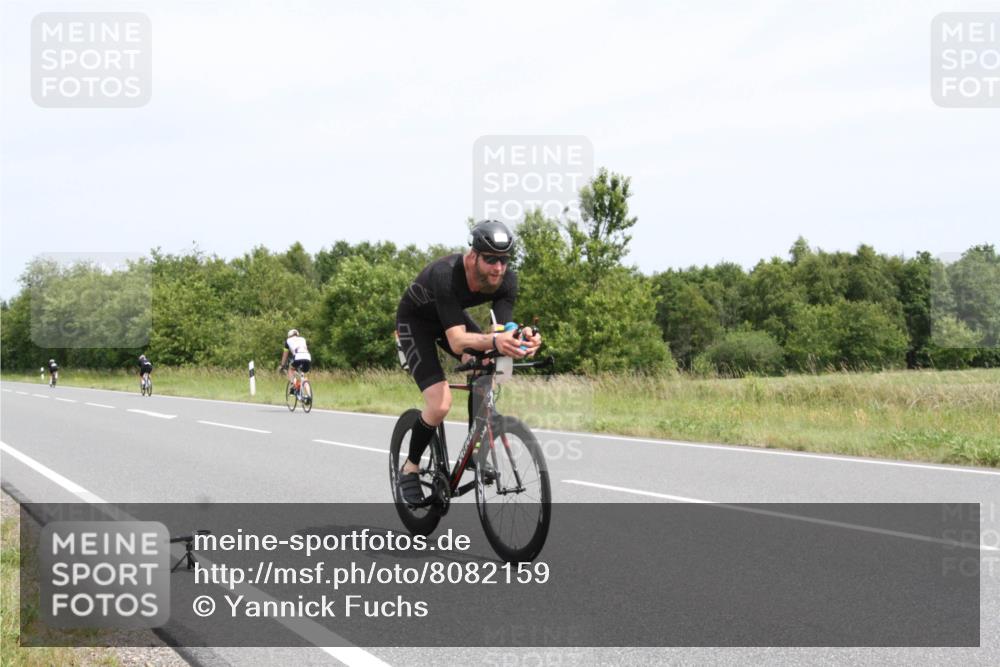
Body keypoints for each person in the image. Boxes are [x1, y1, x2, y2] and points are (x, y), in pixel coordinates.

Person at [394, 220, 541, 504]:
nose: (498, 268)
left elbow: (501, 329)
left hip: (450, 319)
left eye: (504, 260)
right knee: (440, 404)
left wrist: (522, 339)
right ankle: (410, 467)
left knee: (486, 366)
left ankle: (474, 453)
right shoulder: (446, 274)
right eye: (491, 260)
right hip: (416, 324)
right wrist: (495, 342)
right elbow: (458, 342)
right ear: (473, 256)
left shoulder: (507, 280)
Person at [280, 329, 312, 394]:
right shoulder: (303, 339)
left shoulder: (288, 341)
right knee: (305, 377)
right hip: (307, 357)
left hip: (298, 356)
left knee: (291, 369)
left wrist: (282, 365)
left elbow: (285, 355)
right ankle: (309, 395)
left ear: (289, 335)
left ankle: (293, 386)